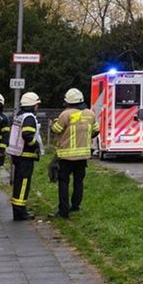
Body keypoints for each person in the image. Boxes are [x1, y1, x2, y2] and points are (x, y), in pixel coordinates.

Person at [49, 87, 95, 219]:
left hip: (66, 156)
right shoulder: (90, 114)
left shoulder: (66, 114)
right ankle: (75, 206)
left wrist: (53, 123)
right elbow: (96, 130)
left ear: (68, 101)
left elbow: (56, 130)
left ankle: (63, 211)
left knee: (64, 182)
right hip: (83, 155)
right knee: (78, 181)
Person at [7, 91, 43, 221]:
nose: (37, 108)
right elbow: (27, 135)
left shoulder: (20, 116)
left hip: (18, 155)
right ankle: (20, 212)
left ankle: (18, 209)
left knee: (19, 183)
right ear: (32, 105)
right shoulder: (29, 117)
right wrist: (36, 146)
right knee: (23, 184)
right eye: (36, 105)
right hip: (25, 156)